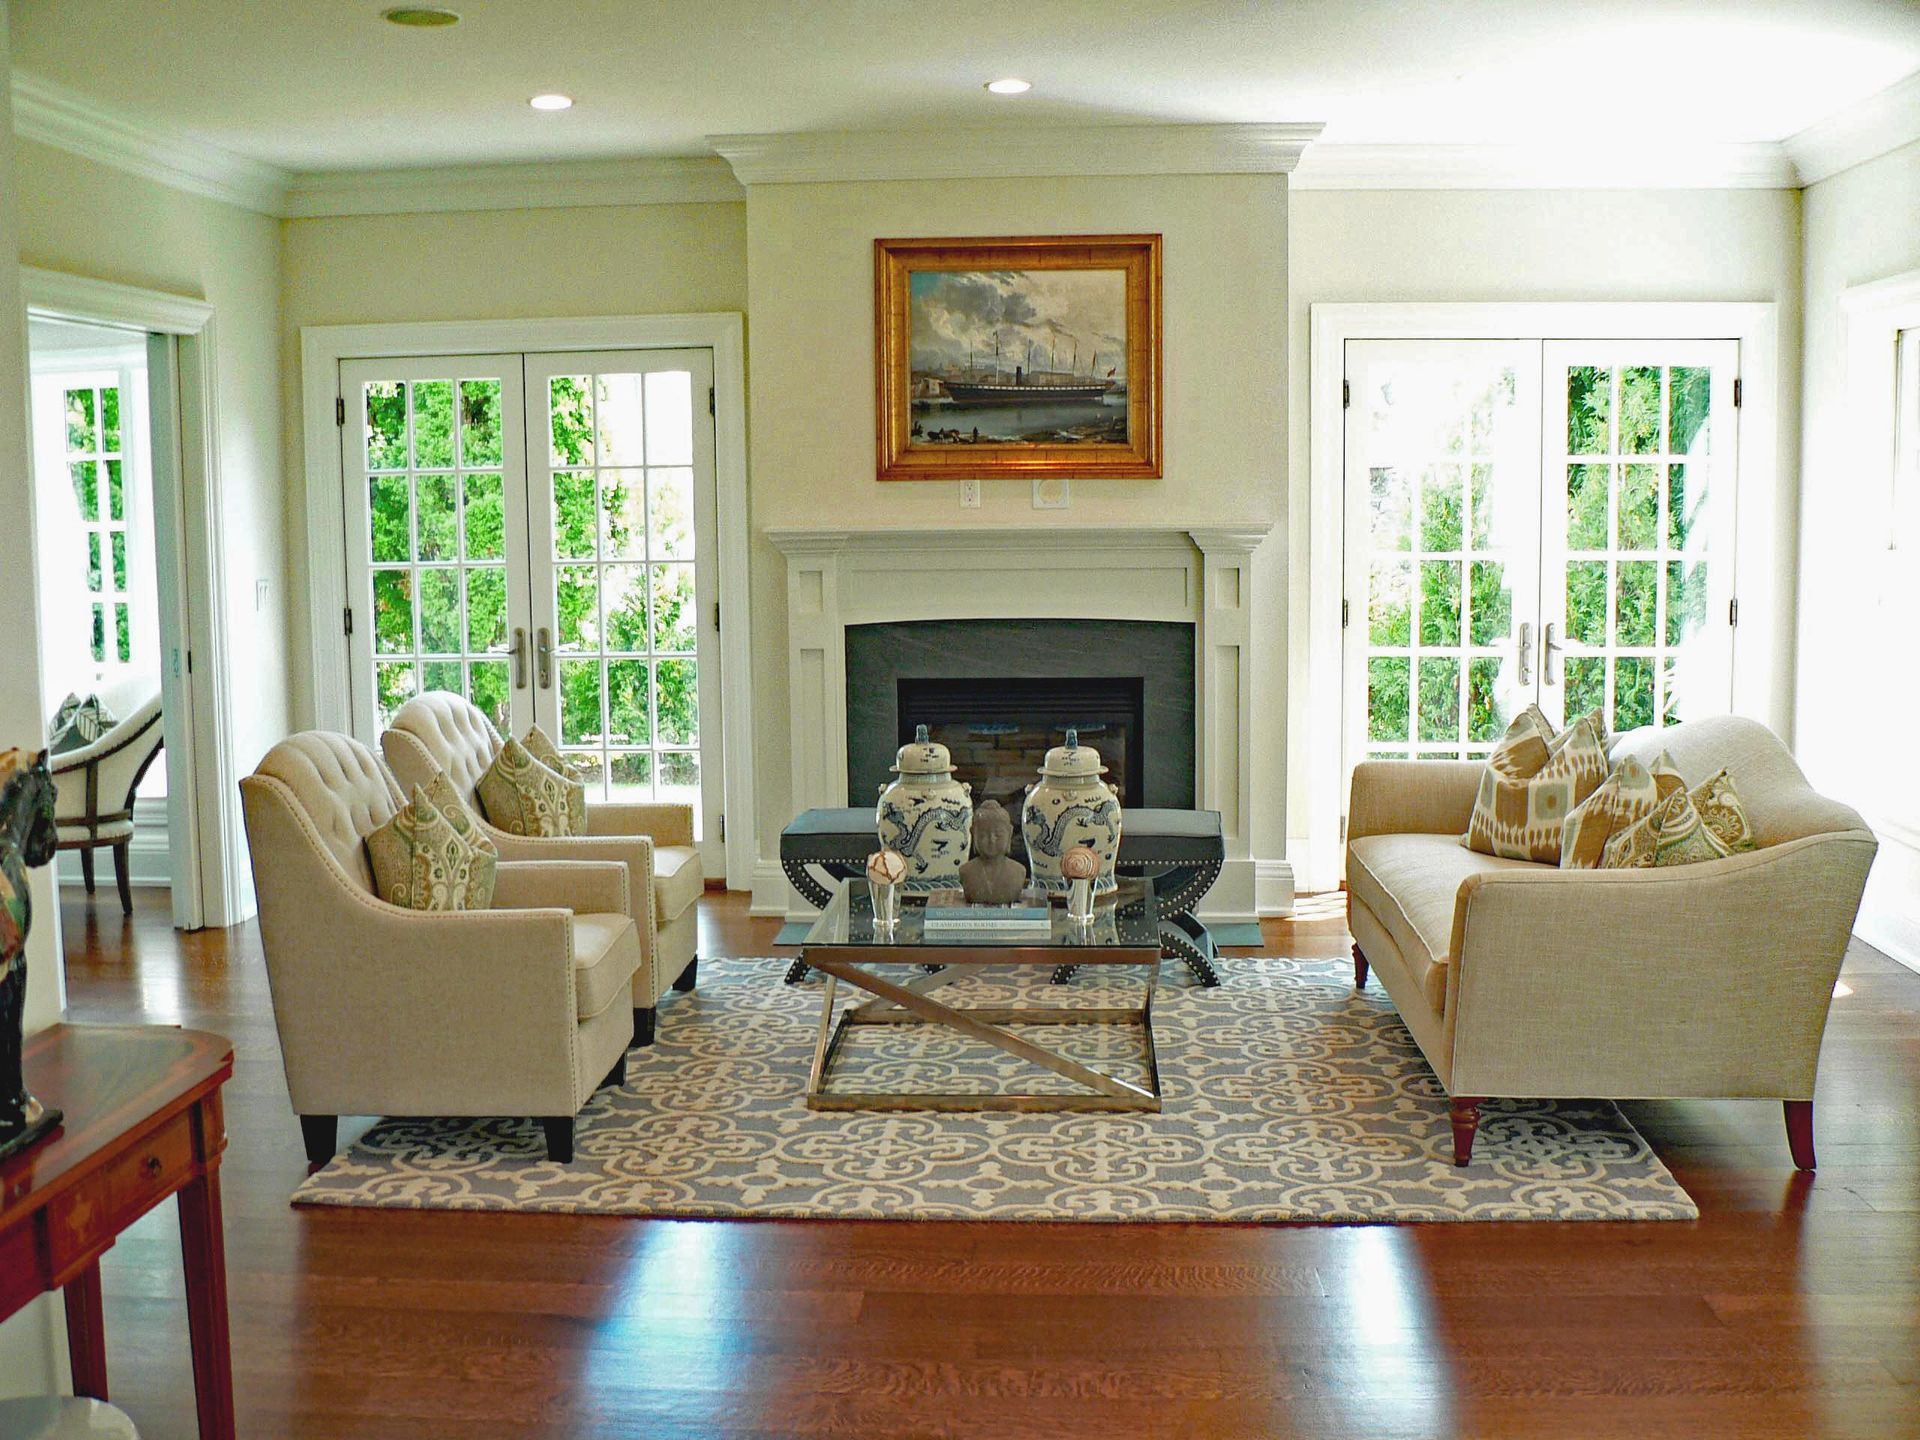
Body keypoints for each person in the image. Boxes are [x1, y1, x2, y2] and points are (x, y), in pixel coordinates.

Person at [958, 800, 1027, 906]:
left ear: (1010, 833)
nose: (991, 840)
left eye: (998, 834)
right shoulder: (966, 871)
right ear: (973, 834)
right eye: (983, 835)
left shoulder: (1018, 871)